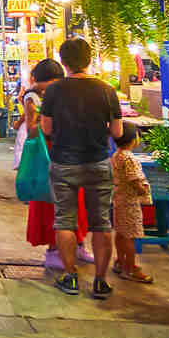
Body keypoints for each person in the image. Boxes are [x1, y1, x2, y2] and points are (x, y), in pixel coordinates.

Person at [40, 38, 123, 299]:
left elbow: (46, 128)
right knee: (102, 223)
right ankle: (100, 281)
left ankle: (71, 276)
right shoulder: (106, 90)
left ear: (63, 61)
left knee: (64, 219)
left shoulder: (54, 91)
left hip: (64, 162)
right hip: (98, 161)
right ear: (89, 59)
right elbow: (118, 131)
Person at [21, 58, 91, 269]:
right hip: (47, 155)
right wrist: (45, 118)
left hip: (70, 152)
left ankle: (79, 244)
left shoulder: (65, 93)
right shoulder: (32, 97)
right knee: (51, 203)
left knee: (77, 201)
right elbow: (32, 129)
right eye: (50, 82)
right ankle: (53, 250)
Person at [111, 121, 154, 284]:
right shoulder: (130, 158)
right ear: (134, 139)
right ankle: (130, 268)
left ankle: (120, 262)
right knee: (130, 236)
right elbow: (135, 180)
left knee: (121, 233)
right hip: (130, 203)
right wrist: (143, 190)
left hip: (119, 200)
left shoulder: (116, 155)